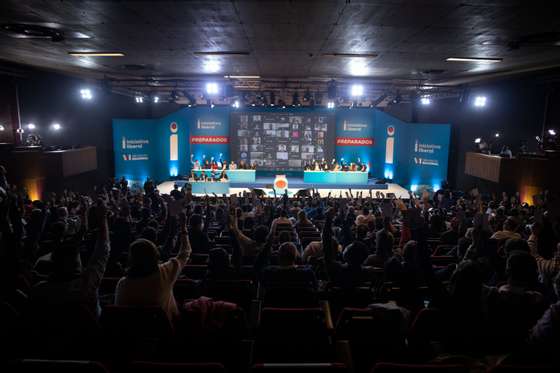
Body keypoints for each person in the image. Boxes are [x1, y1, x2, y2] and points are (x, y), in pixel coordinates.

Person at [31, 199, 111, 317]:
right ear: (74, 263)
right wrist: (103, 219)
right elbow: (102, 252)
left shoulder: (39, 290)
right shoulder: (85, 285)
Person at [115, 212, 192, 321]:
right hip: (167, 330)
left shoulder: (122, 284)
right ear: (155, 255)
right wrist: (183, 227)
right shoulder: (165, 273)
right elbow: (185, 252)